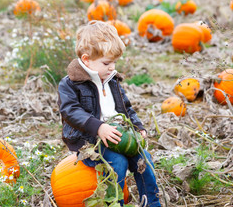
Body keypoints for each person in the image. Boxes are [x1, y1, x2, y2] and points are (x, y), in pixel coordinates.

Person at [57, 20, 161, 207]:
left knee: (144, 159)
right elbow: (70, 111)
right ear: (87, 59)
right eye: (107, 62)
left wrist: (138, 126)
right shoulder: (70, 84)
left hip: (118, 134)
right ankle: (114, 202)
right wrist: (98, 127)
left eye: (114, 62)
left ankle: (152, 203)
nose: (112, 67)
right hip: (89, 140)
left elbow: (126, 108)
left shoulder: (111, 79)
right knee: (118, 164)